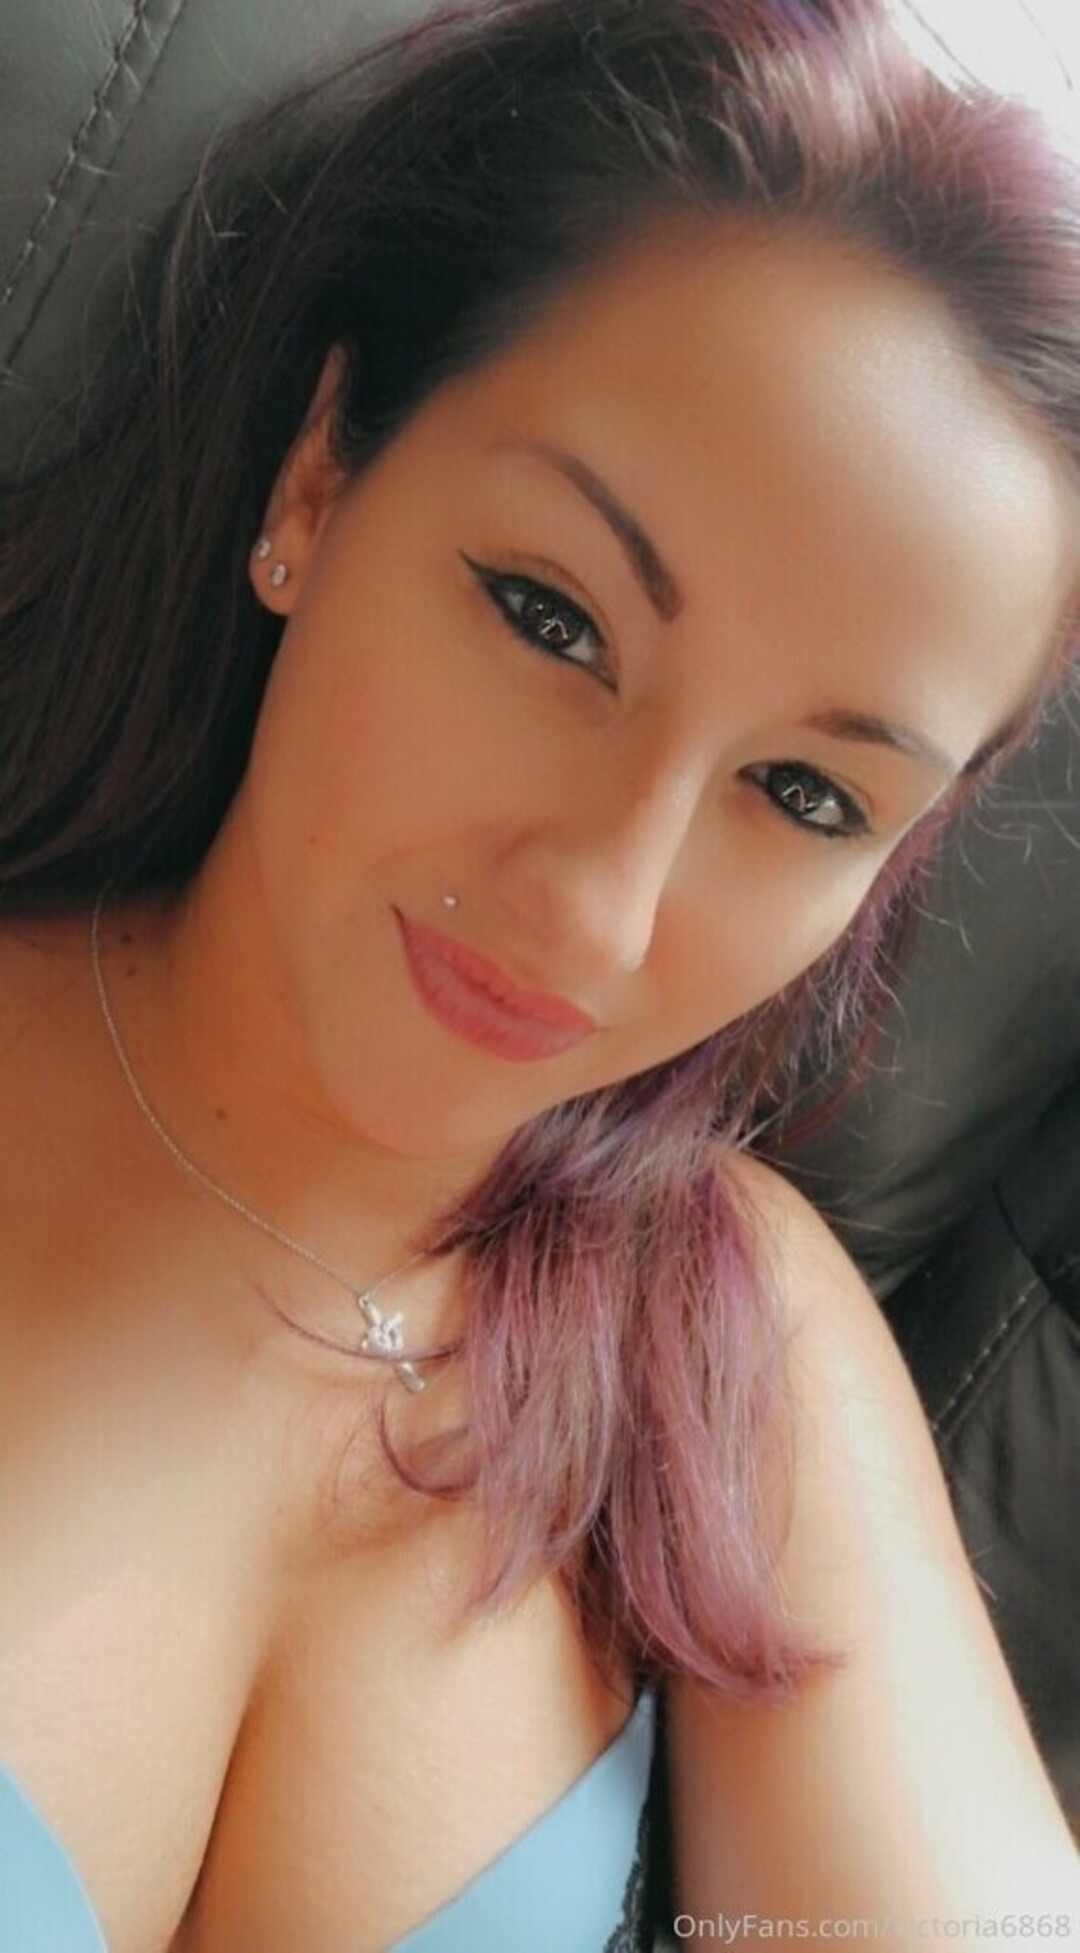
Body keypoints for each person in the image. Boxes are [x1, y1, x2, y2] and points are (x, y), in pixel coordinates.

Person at [1, 0, 1078, 1946]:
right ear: (321, 480)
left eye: (806, 794)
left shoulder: (739, 1344)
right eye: (550, 616)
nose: (597, 914)